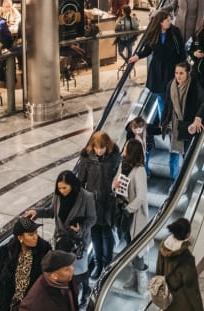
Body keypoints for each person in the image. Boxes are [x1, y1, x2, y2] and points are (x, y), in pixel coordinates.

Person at [23, 170, 95, 306]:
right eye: (59, 188)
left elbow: (92, 219)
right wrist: (37, 212)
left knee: (79, 272)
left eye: (64, 188)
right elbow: (51, 211)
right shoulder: (58, 196)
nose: (61, 191)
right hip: (61, 242)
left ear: (72, 186)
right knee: (65, 273)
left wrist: (81, 228)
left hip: (78, 243)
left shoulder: (86, 197)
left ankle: (85, 292)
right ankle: (71, 297)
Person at [72, 131, 121, 278]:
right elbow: (81, 182)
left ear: (107, 146)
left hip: (108, 202)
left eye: (102, 148)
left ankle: (107, 266)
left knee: (106, 233)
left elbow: (119, 176)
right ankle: (98, 264)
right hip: (92, 202)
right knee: (94, 234)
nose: (99, 151)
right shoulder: (86, 159)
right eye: (97, 148)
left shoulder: (114, 158)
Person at [0, 217, 52, 311]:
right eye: (31, 234)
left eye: (36, 232)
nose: (35, 237)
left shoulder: (44, 251)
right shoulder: (4, 253)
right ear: (20, 238)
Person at [128, 11, 186, 112]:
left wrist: (183, 67)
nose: (170, 22)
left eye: (169, 19)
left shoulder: (174, 32)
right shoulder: (153, 33)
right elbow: (148, 49)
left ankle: (169, 119)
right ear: (160, 22)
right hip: (158, 68)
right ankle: (163, 121)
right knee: (160, 96)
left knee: (170, 95)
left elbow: (181, 49)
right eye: (167, 20)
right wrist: (138, 56)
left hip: (171, 67)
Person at [161, 62, 204, 179]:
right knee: (173, 154)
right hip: (174, 125)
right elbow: (167, 106)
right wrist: (164, 122)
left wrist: (198, 118)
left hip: (188, 126)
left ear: (188, 73)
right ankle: (174, 181)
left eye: (181, 73)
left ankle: (192, 179)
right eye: (176, 73)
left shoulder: (193, 85)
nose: (178, 76)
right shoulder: (170, 85)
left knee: (189, 155)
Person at [113, 139, 149, 291]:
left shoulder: (139, 171)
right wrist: (114, 186)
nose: (124, 149)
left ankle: (142, 280)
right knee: (129, 247)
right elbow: (116, 182)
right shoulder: (123, 165)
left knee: (137, 249)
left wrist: (128, 210)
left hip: (134, 215)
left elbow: (141, 197)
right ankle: (134, 277)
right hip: (123, 211)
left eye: (126, 147)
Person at [156, 217, 204, 311]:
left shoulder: (163, 246)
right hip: (182, 304)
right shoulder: (187, 258)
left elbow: (158, 271)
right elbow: (192, 288)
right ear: (188, 234)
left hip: (167, 300)